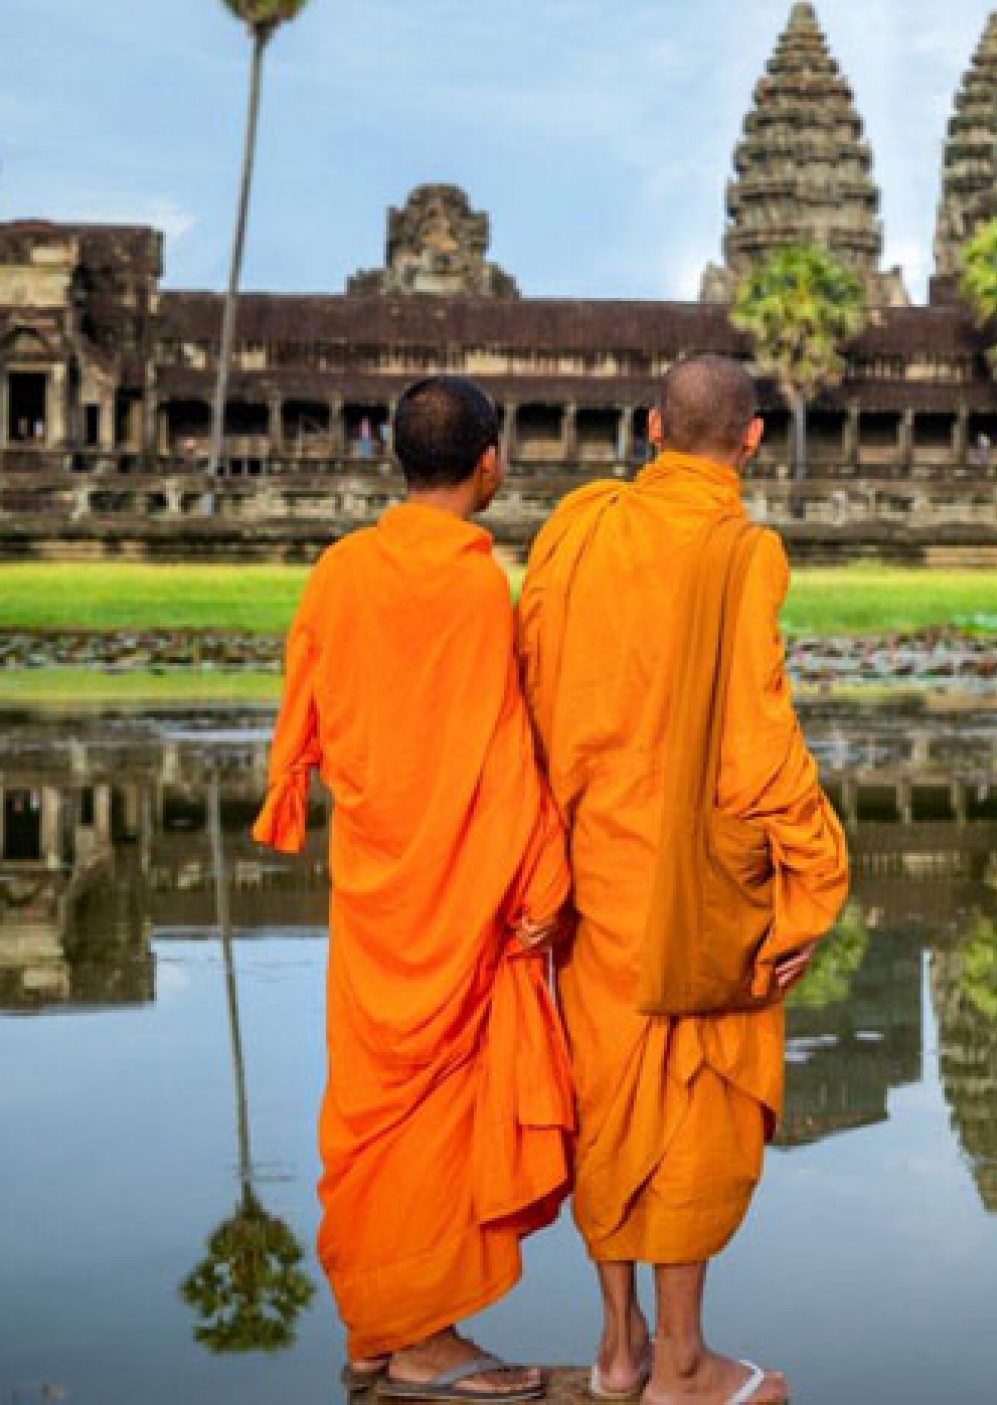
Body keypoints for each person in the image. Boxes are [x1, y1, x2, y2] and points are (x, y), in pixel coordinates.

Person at [518, 355, 849, 1405]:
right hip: (695, 884)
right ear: (751, 441)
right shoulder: (740, 548)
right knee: (691, 1103)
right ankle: (685, 1361)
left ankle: (616, 1350)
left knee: (608, 1101)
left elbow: (530, 679)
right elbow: (757, 737)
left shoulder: (578, 525)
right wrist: (816, 875)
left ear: (651, 425)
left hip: (588, 866)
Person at [253, 376, 571, 1403]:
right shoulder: (476, 585)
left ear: (399, 458)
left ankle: (377, 1331)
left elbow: (305, 709)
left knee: (370, 1106)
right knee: (430, 1109)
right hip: (453, 886)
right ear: (492, 460)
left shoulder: (340, 571)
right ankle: (421, 1338)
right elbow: (497, 746)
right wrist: (540, 874)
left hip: (380, 878)